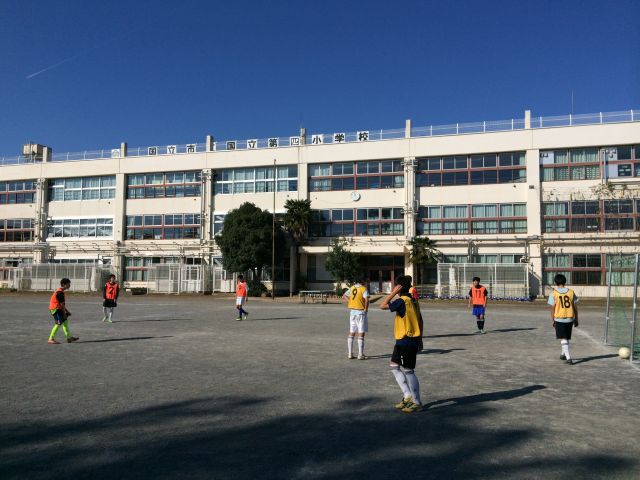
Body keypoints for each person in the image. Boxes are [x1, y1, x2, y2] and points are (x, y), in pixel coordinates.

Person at [380, 275, 424, 413]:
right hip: (404, 340)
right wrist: (420, 339)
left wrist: (393, 293)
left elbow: (382, 305)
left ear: (399, 287)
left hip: (406, 340)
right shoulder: (414, 301)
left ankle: (417, 402)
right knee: (394, 366)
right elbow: (420, 320)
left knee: (409, 371)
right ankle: (407, 395)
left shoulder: (402, 301)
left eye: (396, 286)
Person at [548, 273, 579, 365]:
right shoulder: (571, 292)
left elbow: (552, 308)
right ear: (565, 281)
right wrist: (576, 319)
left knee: (563, 337)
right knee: (565, 337)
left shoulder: (553, 293)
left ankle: (568, 358)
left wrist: (552, 320)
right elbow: (575, 307)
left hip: (559, 318)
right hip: (570, 318)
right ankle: (563, 354)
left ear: (556, 282)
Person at [342, 276, 370, 360]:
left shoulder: (352, 288)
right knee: (361, 333)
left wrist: (350, 301)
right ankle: (360, 354)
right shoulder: (363, 289)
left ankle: (350, 353)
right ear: (362, 281)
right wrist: (366, 309)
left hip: (352, 312)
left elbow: (344, 296)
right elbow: (367, 300)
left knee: (352, 332)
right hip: (360, 312)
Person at [48, 278, 79, 344]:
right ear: (63, 284)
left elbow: (62, 304)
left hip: (58, 308)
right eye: (68, 284)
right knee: (58, 323)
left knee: (65, 322)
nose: (69, 285)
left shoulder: (61, 291)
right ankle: (51, 339)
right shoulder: (60, 292)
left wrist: (66, 311)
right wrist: (64, 313)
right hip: (55, 309)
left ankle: (69, 338)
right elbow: (61, 304)